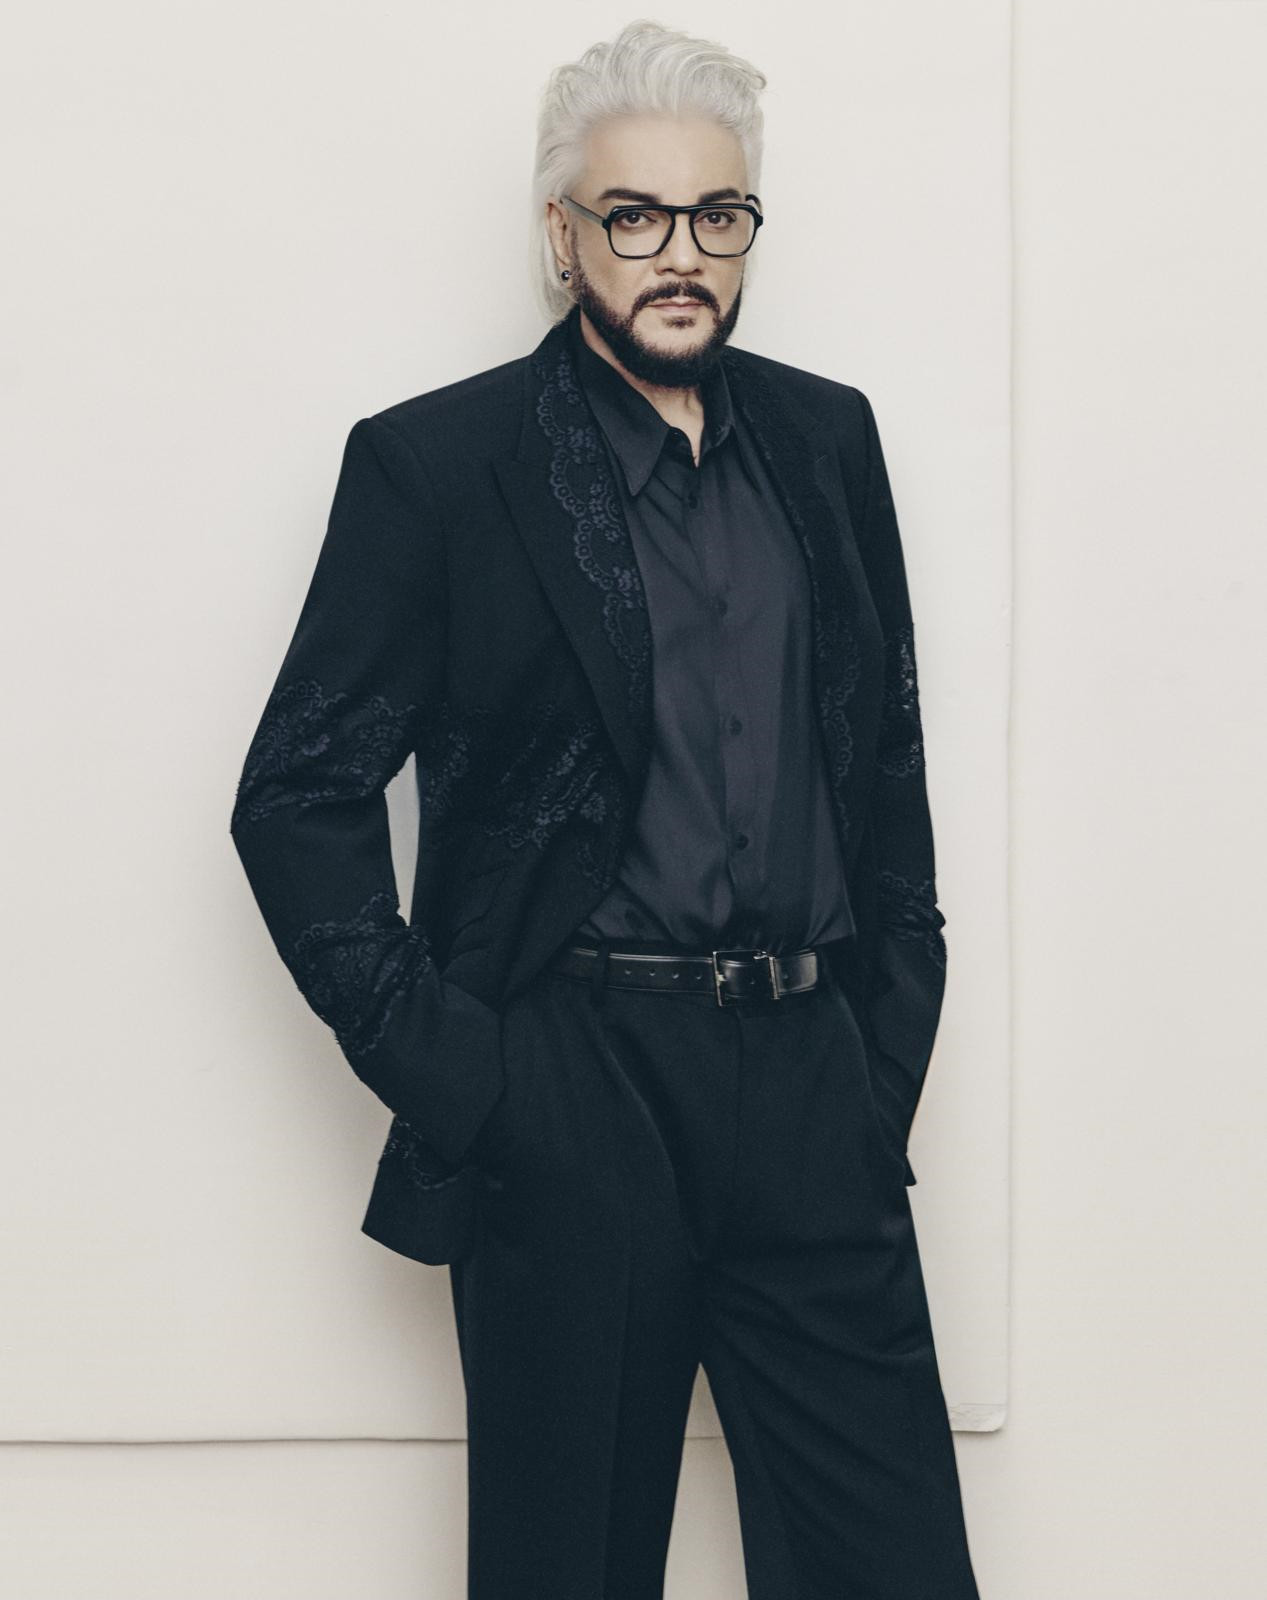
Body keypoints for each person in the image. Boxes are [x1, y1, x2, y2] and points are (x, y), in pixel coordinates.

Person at [229, 19, 982, 1600]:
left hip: (812, 1086)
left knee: (894, 1567)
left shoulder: (829, 442)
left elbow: (885, 759)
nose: (680, 252)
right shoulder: (442, 468)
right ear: (562, 234)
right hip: (576, 1086)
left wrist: (881, 1044)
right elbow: (298, 792)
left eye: (718, 213)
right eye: (634, 215)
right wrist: (477, 1081)